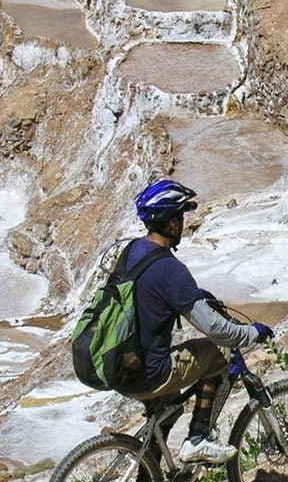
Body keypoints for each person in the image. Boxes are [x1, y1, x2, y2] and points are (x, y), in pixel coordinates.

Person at [114, 179, 273, 464]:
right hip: (152, 372)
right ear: (170, 221)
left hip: (121, 369)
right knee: (219, 353)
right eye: (180, 216)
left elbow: (149, 294)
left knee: (168, 410)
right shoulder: (170, 269)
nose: (182, 223)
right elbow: (214, 329)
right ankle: (198, 439)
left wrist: (193, 295)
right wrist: (252, 333)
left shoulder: (132, 252)